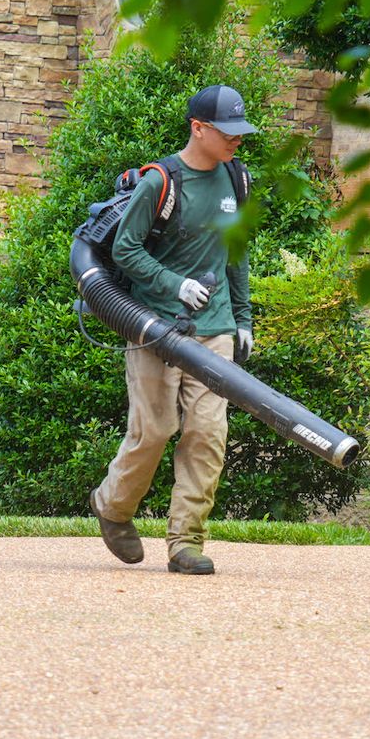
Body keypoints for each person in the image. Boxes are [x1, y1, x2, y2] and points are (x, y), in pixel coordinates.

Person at [89, 84, 257, 575]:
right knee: (155, 430)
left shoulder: (236, 179)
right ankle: (113, 507)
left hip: (215, 327)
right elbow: (125, 251)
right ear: (198, 128)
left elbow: (236, 252)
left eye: (240, 133)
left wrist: (242, 318)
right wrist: (175, 284)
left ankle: (186, 541)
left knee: (207, 433)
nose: (236, 142)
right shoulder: (160, 182)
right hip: (154, 327)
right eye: (227, 133)